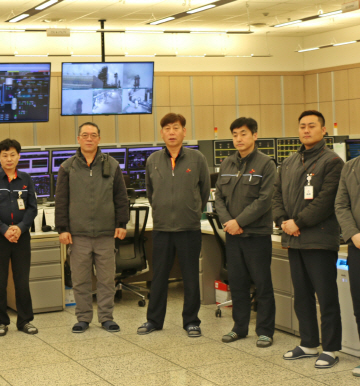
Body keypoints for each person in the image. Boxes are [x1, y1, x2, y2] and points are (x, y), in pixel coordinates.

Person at [273, 110, 344, 369]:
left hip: (319, 240)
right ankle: (308, 343)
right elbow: (276, 194)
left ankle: (332, 348)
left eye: (311, 126)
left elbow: (326, 202)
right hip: (293, 240)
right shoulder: (290, 161)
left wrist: (298, 222)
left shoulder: (332, 162)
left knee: (326, 297)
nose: (306, 130)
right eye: (302, 126)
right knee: (301, 295)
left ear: (323, 130)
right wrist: (282, 220)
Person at [138, 113, 210, 337]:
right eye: (167, 128)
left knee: (190, 276)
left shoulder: (197, 159)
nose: (171, 132)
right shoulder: (153, 161)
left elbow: (204, 191)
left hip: (189, 228)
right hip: (161, 228)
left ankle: (191, 321)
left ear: (184, 131)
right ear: (162, 133)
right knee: (158, 276)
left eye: (176, 128)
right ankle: (153, 321)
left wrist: (191, 211)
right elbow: (151, 192)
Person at [55, 122, 129, 333]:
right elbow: (61, 200)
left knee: (106, 279)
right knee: (80, 280)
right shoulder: (67, 167)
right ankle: (83, 318)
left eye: (93, 135)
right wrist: (62, 228)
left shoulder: (112, 165)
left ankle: (106, 317)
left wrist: (121, 224)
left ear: (99, 139)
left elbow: (121, 198)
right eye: (85, 135)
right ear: (78, 139)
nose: (89, 138)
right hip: (78, 235)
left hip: (106, 233)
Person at [214, 117, 277, 348]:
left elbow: (264, 200)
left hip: (256, 235)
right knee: (238, 283)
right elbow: (218, 196)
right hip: (233, 235)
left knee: (262, 284)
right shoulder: (227, 163)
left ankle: (265, 331)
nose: (238, 139)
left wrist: (239, 221)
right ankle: (239, 328)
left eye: (243, 134)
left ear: (254, 136)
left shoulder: (266, 164)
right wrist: (228, 222)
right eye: (234, 135)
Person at [0, 138, 38, 336]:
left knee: (22, 281)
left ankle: (25, 321)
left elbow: (32, 209)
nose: (9, 159)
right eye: (5, 155)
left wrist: (20, 228)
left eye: (13, 155)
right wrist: (4, 229)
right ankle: (0, 322)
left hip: (21, 237)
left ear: (19, 156)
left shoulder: (26, 179)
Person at [336, 147, 360, 377]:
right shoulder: (350, 168)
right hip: (357, 246)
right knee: (359, 304)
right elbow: (341, 205)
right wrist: (353, 234)